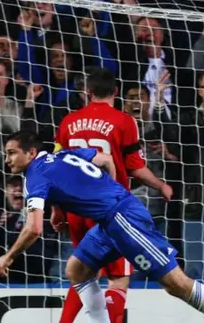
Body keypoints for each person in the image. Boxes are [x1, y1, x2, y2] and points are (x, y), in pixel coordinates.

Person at [0, 131, 204, 323]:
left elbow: (34, 229)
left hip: (123, 219)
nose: (8, 159)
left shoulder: (35, 175)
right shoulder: (63, 154)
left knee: (176, 283)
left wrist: (9, 256)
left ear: (31, 153)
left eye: (12, 153)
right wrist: (102, 192)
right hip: (109, 221)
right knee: (77, 269)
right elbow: (106, 159)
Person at [53, 67, 173, 323]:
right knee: (118, 277)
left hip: (75, 208)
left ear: (88, 92)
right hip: (110, 210)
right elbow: (136, 168)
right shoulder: (124, 121)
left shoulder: (67, 123)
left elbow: (57, 167)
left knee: (83, 273)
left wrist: (57, 209)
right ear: (116, 92)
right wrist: (161, 186)